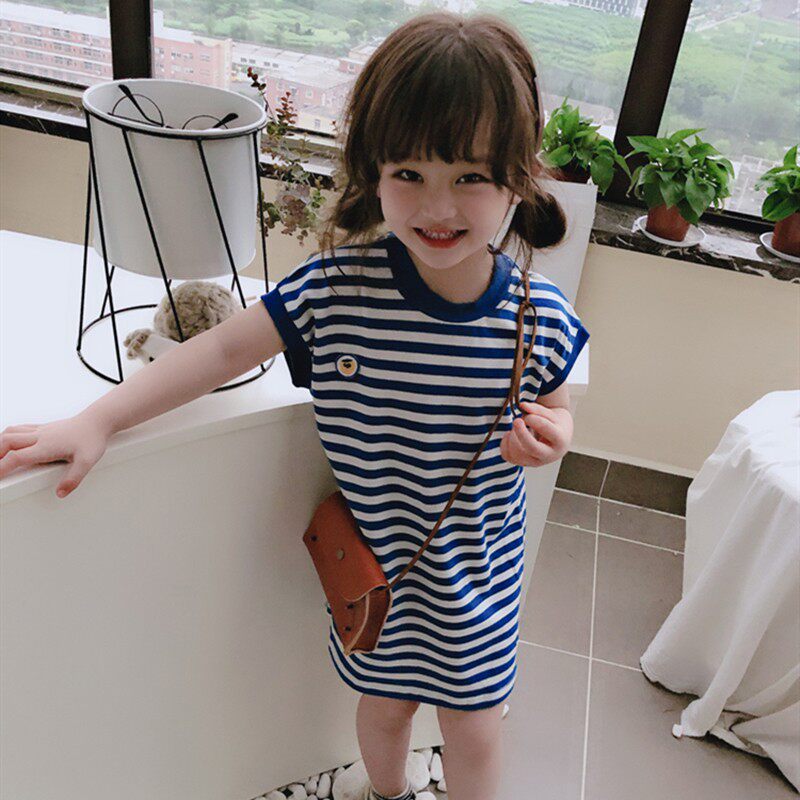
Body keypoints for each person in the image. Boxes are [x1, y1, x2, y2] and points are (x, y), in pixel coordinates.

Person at [0, 11, 589, 800]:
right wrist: (96, 420)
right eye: (409, 173)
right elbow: (220, 352)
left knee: (476, 729)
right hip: (379, 578)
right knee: (384, 710)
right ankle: (387, 793)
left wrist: (553, 436)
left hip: (479, 580)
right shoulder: (338, 292)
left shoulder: (538, 316)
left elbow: (558, 405)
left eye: (469, 177)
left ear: (517, 176)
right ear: (373, 171)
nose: (437, 206)